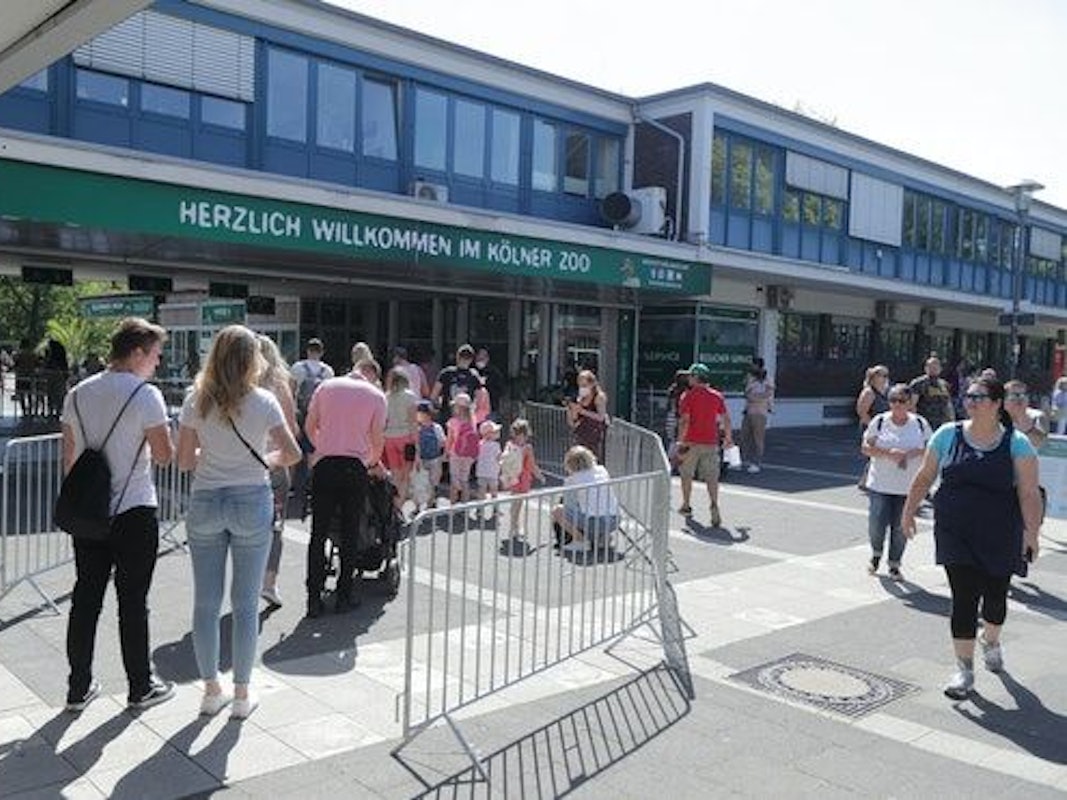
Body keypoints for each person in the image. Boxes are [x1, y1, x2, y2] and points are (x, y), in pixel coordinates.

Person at [178, 325, 301, 719]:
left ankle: (211, 691)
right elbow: (293, 452)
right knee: (246, 604)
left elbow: (182, 461)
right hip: (251, 500)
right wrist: (262, 461)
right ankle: (243, 695)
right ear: (252, 360)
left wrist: (212, 455)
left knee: (205, 602)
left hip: (206, 500)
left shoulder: (195, 399)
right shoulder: (264, 400)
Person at [61, 317, 175, 713]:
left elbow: (70, 457)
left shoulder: (77, 393)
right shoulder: (146, 395)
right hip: (134, 510)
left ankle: (78, 687)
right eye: (156, 355)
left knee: (85, 598)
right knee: (132, 601)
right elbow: (164, 456)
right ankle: (139, 686)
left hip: (89, 514)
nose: (157, 364)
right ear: (138, 352)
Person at [902, 377, 1042, 700]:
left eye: (979, 396)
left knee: (995, 598)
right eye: (968, 396)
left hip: (1000, 533)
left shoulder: (1016, 443)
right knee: (963, 598)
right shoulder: (947, 435)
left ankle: (990, 641)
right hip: (955, 531)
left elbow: (1029, 493)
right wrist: (908, 512)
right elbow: (925, 476)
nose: (971, 401)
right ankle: (964, 671)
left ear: (996, 404)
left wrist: (1030, 534)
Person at [303, 354, 387, 618]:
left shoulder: (325, 387)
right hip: (354, 468)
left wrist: (323, 446)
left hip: (325, 465)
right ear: (371, 374)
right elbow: (377, 439)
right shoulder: (375, 396)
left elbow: (309, 425)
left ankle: (314, 598)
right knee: (351, 532)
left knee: (319, 533)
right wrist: (370, 460)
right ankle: (344, 595)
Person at [860, 384, 930, 581]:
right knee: (876, 523)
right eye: (893, 400)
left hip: (908, 487)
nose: (897, 405)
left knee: (901, 528)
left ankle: (894, 564)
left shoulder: (920, 424)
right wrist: (888, 454)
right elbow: (865, 448)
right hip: (880, 484)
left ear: (909, 403)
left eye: (902, 401)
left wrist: (913, 453)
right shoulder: (880, 421)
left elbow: (930, 448)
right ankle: (876, 554)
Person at [256, 335, 299, 608]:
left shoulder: (238, 383)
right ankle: (269, 583)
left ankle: (245, 582)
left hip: (244, 463)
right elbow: (292, 429)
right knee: (275, 527)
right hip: (275, 462)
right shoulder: (280, 385)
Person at [677, 363, 733, 527]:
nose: (688, 378)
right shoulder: (717, 396)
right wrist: (728, 438)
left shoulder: (687, 396)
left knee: (687, 475)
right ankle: (714, 504)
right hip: (711, 442)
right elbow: (726, 419)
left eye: (690, 376)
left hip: (690, 442)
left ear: (695, 378)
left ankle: (686, 505)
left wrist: (680, 441)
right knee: (712, 477)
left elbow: (685, 421)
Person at [553, 445, 620, 555]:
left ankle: (581, 541)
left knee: (558, 511)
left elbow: (569, 504)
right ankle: (602, 538)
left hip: (595, 521)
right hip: (615, 518)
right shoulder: (602, 471)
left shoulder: (572, 480)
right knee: (597, 507)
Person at [383, 367, 419, 515]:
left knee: (396, 474)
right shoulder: (410, 397)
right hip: (406, 438)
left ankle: (394, 505)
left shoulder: (386, 397)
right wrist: (417, 443)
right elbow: (413, 422)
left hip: (389, 437)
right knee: (406, 475)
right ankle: (399, 507)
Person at [504, 418, 543, 538]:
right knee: (518, 503)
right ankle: (514, 527)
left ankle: (514, 526)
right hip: (523, 477)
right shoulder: (527, 448)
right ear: (526, 433)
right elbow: (531, 465)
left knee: (514, 502)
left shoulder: (509, 444)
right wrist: (540, 476)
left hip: (512, 476)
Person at [431, 344, 482, 424]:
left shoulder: (474, 375)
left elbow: (479, 399)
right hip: (448, 416)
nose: (464, 359)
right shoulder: (446, 373)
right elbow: (434, 396)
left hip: (464, 417)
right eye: (463, 356)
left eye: (467, 357)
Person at [444, 392, 479, 505]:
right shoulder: (473, 420)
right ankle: (464, 505)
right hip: (468, 455)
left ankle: (453, 505)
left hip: (456, 453)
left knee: (454, 479)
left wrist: (446, 453)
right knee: (465, 479)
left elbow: (450, 439)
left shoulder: (453, 422)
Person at [566, 369, 608, 462]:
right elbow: (573, 421)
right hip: (581, 435)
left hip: (596, 436)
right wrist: (571, 411)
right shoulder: (580, 398)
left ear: (592, 384)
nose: (582, 388)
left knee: (594, 461)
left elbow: (601, 417)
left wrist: (582, 411)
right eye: (580, 386)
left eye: (584, 385)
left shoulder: (599, 397)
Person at [741, 365, 774, 473]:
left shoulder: (766, 383)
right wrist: (752, 395)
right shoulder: (751, 383)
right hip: (748, 413)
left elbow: (766, 394)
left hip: (760, 414)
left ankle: (756, 463)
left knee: (758, 439)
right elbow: (747, 395)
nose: (748, 376)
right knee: (744, 437)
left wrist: (754, 397)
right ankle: (743, 460)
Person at [909, 355, 955, 432]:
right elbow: (912, 405)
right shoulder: (918, 383)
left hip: (942, 424)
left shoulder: (944, 384)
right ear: (926, 368)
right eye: (931, 366)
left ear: (940, 369)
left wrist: (952, 420)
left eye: (936, 366)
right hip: (925, 424)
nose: (934, 369)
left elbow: (948, 404)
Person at [415, 399, 445, 509]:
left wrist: (442, 456)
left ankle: (431, 503)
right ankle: (418, 505)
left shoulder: (436, 427)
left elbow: (442, 442)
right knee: (420, 482)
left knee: (433, 482)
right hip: (421, 459)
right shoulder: (416, 428)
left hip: (434, 459)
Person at [475, 419, 502, 512]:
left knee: (481, 490)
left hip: (481, 471)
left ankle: (480, 508)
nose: (497, 433)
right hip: (493, 472)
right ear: (488, 434)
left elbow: (476, 456)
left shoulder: (479, 444)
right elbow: (499, 457)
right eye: (495, 432)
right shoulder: (496, 445)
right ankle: (495, 508)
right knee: (494, 491)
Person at [474, 347, 506, 415]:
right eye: (479, 357)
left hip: (491, 408)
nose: (481, 359)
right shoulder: (471, 372)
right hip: (473, 409)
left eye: (483, 357)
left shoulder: (494, 373)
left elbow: (500, 390)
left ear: (488, 358)